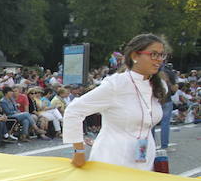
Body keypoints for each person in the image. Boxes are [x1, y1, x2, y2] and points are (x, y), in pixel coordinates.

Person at [65, 34, 168, 170]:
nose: (159, 60)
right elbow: (74, 111)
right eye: (154, 54)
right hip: (112, 159)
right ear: (135, 56)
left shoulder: (160, 86)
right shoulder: (116, 85)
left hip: (144, 159)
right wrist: (79, 152)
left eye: (162, 55)